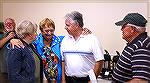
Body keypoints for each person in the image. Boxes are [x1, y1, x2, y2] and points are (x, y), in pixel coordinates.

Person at [61, 11, 104, 83]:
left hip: (86, 80)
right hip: (69, 79)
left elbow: (99, 61)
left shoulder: (92, 39)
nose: (65, 27)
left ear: (77, 25)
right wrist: (63, 80)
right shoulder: (64, 40)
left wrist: (92, 80)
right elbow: (63, 61)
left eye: (68, 25)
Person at [112, 13, 150, 83]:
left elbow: (141, 81)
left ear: (132, 29)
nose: (121, 29)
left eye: (123, 26)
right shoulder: (135, 43)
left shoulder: (141, 47)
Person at [0, 18, 16, 83]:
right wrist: (8, 38)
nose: (8, 25)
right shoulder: (1, 36)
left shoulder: (18, 36)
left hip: (16, 71)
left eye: (10, 23)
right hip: (4, 70)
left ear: (14, 25)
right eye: (6, 23)